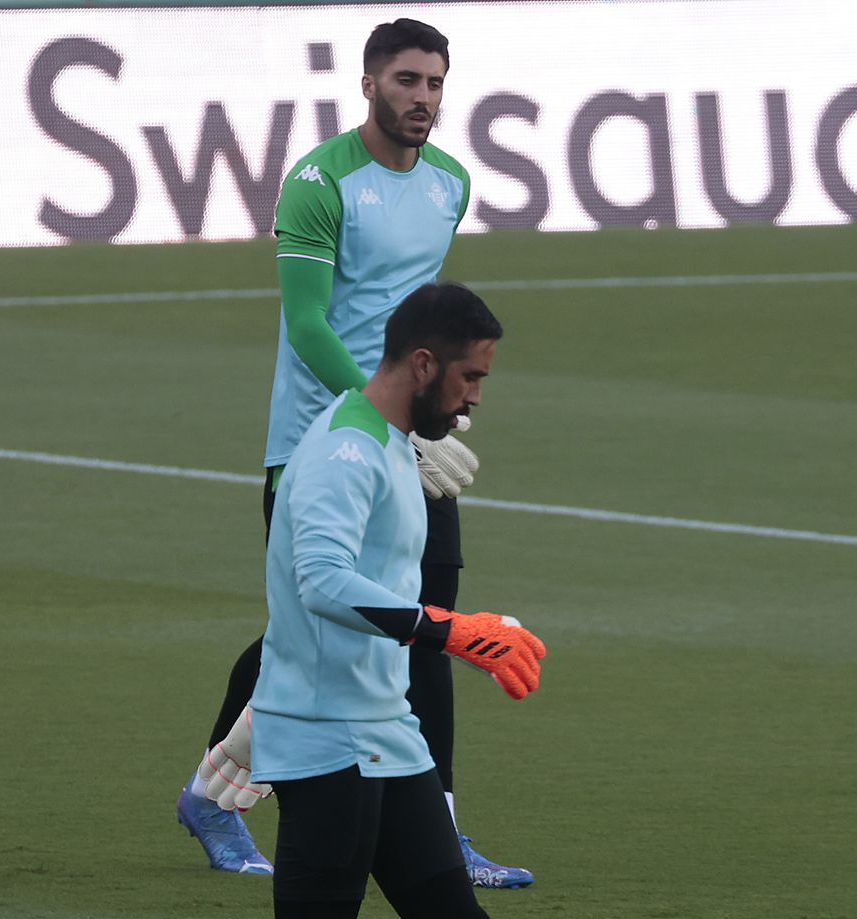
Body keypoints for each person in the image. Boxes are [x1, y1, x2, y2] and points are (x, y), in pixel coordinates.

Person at [177, 18, 533, 888]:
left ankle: (439, 826)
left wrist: (428, 414)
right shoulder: (319, 182)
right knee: (305, 631)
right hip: (322, 440)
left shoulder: (450, 182)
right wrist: (379, 422)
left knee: (427, 624)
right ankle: (215, 797)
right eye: (407, 80)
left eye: (435, 83)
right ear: (369, 83)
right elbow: (308, 324)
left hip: (412, 433)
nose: (423, 97)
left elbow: (414, 316)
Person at [254, 281, 544, 918]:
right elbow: (321, 581)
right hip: (327, 743)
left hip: (389, 733)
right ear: (423, 364)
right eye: (470, 377)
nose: (475, 397)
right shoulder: (345, 451)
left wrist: (458, 631)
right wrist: (447, 630)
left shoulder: (391, 442)